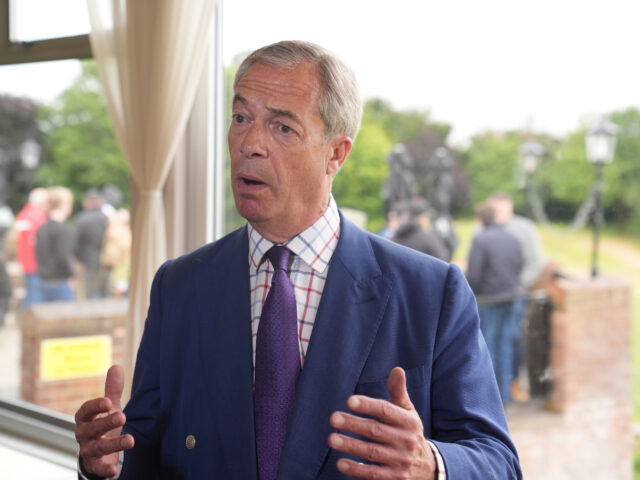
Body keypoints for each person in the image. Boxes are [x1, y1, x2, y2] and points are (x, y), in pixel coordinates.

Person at [75, 40, 522, 480]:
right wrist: (105, 466)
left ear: (336, 154)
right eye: (241, 117)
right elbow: (146, 449)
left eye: (282, 127)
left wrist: (429, 465)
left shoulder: (430, 291)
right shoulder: (180, 285)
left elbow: (498, 462)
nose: (249, 143)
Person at [491, 192, 547, 402]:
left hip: (515, 295)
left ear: (511, 208)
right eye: (496, 211)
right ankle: (497, 389)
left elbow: (536, 262)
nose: (500, 215)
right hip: (491, 297)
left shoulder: (524, 229)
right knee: (492, 340)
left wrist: (519, 286)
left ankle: (511, 385)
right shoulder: (486, 227)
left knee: (512, 339)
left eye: (503, 210)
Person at [466, 201, 523, 405]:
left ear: (481, 218)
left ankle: (489, 399)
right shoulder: (513, 238)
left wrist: (476, 293)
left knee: (486, 347)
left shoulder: (481, 239)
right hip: (511, 298)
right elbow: (519, 267)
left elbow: (474, 274)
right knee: (506, 344)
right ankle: (505, 395)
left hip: (489, 300)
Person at [35, 186, 75, 302]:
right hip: (59, 281)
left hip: (43, 279)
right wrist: (71, 275)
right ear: (63, 204)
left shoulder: (42, 227)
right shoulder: (62, 229)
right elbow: (63, 256)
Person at [14, 187, 48, 309]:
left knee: (31, 293)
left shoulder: (24, 214)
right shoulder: (37, 217)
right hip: (35, 262)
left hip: (27, 260)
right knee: (34, 297)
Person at [74, 189, 109, 299]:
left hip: (88, 260)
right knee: (105, 292)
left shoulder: (82, 219)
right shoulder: (107, 218)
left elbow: (76, 243)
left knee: (90, 291)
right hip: (107, 259)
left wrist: (79, 259)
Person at [391, 197, 449, 261]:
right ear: (422, 217)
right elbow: (444, 262)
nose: (429, 220)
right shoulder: (429, 239)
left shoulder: (392, 239)